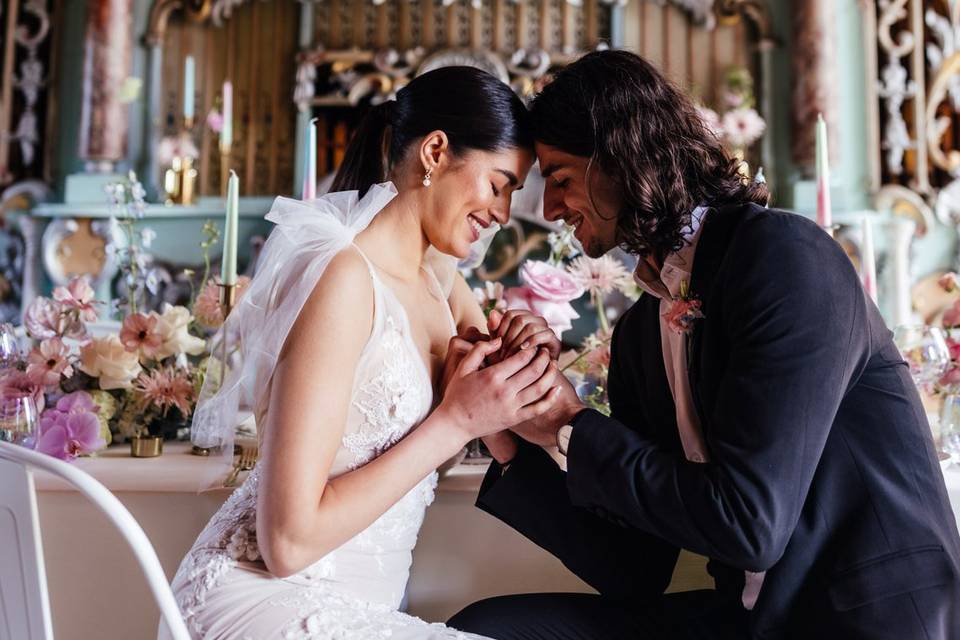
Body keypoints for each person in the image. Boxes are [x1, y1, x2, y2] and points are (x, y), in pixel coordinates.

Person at [448, 50, 960, 639]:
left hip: (863, 620)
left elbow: (751, 527)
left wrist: (568, 421)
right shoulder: (642, 331)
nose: (549, 209)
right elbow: (634, 572)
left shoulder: (785, 258)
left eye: (561, 178)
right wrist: (510, 431)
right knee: (485, 630)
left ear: (622, 156)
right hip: (750, 622)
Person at [163, 66, 558, 640]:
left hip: (360, 609)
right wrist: (454, 422)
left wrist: (529, 351)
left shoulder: (439, 276)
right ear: (436, 152)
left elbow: (505, 413)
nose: (503, 212)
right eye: (498, 184)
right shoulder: (344, 278)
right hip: (263, 599)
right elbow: (287, 544)